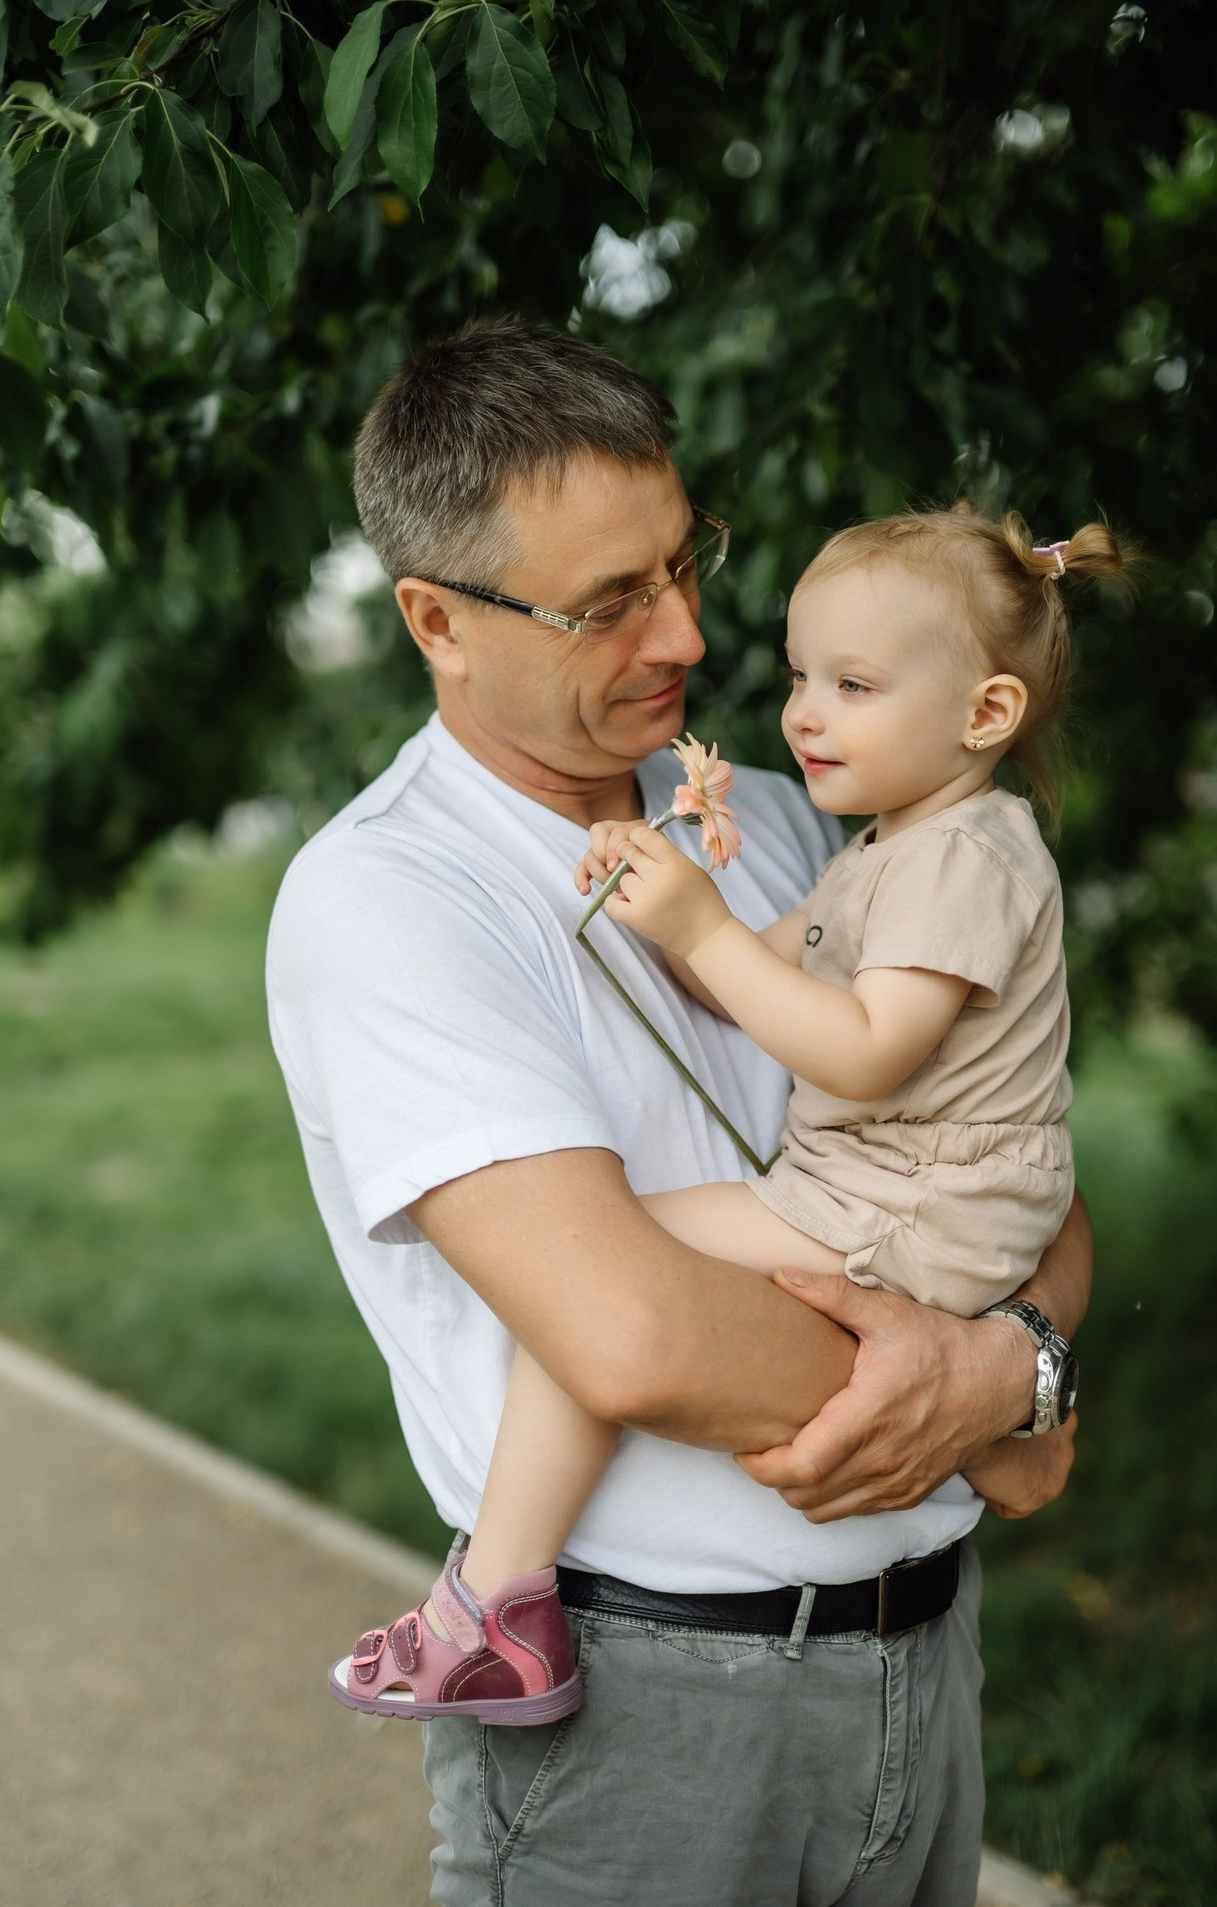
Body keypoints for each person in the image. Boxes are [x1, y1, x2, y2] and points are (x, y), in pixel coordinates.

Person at [267, 320, 1092, 1907]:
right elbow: (631, 1334)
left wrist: (1023, 1362)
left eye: (682, 562)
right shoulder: (387, 901)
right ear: (435, 619)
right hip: (648, 1719)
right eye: (609, 604)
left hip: (925, 1668)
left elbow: (1019, 1170)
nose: (692, 638)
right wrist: (975, 1410)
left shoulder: (804, 814)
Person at [327, 506, 1117, 1729]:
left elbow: (858, 1053)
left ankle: (493, 1610)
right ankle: (503, 1605)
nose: (801, 713)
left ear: (986, 715)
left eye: (850, 684)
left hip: (903, 1198)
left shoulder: (961, 856)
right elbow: (750, 973)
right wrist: (669, 895)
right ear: (438, 620)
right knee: (598, 1287)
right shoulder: (879, 847)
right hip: (910, 1203)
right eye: (803, 677)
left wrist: (698, 927)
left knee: (610, 1263)